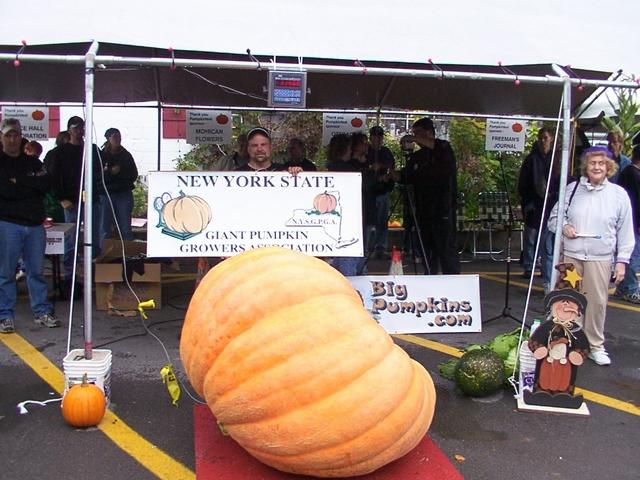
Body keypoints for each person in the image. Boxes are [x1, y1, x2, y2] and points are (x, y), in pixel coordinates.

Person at [547, 146, 635, 365]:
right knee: (567, 301)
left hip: (600, 257)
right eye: (592, 163)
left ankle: (594, 345)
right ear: (585, 166)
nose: (597, 167)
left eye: (601, 163)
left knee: (596, 304)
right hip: (571, 256)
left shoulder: (618, 195)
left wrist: (622, 261)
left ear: (609, 167)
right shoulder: (572, 190)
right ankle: (565, 342)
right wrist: (564, 227)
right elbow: (554, 219)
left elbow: (625, 230)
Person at [0, 118, 59, 333]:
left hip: (35, 224)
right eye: (8, 135)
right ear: (2, 137)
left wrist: (20, 181)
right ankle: (4, 315)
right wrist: (29, 184)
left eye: (15, 135)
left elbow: (46, 185)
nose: (12, 139)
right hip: (8, 223)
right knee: (6, 272)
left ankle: (42, 311)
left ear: (21, 136)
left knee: (36, 271)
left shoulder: (33, 162)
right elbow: (6, 191)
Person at [48, 116, 101, 297]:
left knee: (93, 239)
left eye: (82, 128)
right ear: (69, 130)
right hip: (70, 201)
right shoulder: (60, 152)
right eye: (76, 128)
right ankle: (70, 276)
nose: (79, 131)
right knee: (71, 241)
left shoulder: (91, 149)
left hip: (91, 200)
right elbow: (54, 177)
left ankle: (91, 275)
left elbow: (99, 173)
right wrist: (61, 198)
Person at [401, 117, 460, 274]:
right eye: (414, 134)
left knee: (446, 249)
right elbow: (406, 176)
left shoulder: (443, 148)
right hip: (424, 210)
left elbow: (437, 147)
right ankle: (430, 276)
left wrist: (414, 138)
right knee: (427, 250)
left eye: (418, 133)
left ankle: (452, 279)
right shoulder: (418, 157)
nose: (415, 137)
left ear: (428, 132)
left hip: (443, 208)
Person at [518, 127, 554, 278]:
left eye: (545, 138)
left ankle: (544, 266)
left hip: (550, 203)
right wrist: (527, 201)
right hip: (533, 202)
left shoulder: (555, 159)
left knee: (546, 238)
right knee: (531, 236)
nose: (543, 141)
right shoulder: (531, 159)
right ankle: (529, 266)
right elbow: (523, 182)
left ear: (551, 139)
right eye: (540, 138)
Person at [99, 127, 138, 246]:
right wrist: (111, 172)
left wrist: (120, 174)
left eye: (119, 136)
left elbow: (133, 174)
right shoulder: (102, 155)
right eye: (114, 136)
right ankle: (104, 251)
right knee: (104, 226)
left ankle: (127, 251)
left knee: (125, 226)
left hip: (123, 193)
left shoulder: (126, 155)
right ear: (108, 139)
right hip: (106, 193)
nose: (117, 139)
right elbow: (97, 175)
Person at [615, 144, 640, 303]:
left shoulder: (628, 172)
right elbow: (637, 201)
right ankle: (630, 288)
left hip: (629, 220)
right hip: (633, 221)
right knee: (633, 255)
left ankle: (623, 287)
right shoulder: (633, 174)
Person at [367, 126, 395, 259]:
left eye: (380, 136)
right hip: (369, 193)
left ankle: (381, 248)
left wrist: (382, 167)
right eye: (375, 136)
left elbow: (391, 167)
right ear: (371, 137)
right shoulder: (366, 152)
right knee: (368, 222)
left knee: (382, 221)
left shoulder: (386, 152)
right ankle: (366, 248)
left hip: (383, 191)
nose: (377, 139)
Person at [235, 127, 302, 174]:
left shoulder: (284, 172)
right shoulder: (236, 174)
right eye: (255, 145)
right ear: (248, 149)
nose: (259, 149)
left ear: (270, 147)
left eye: (263, 144)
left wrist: (299, 174)